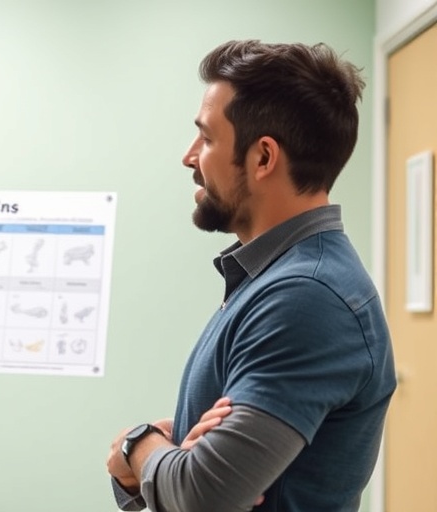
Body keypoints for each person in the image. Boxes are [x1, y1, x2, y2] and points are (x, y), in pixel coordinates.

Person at [105, 40, 397, 511]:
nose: (189, 156)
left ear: (263, 158)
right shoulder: (275, 279)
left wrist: (136, 445)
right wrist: (169, 463)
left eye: (207, 138)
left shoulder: (308, 297)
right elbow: (189, 482)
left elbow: (202, 496)